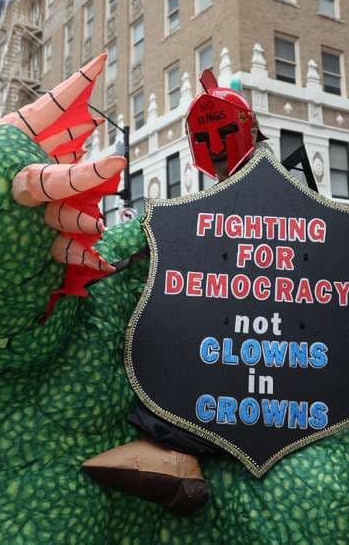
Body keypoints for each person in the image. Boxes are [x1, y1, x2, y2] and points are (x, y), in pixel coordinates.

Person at [81, 69, 265, 516]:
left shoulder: (271, 192)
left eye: (225, 133)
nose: (218, 149)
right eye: (207, 139)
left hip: (260, 337)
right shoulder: (216, 201)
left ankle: (180, 454)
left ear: (249, 132)